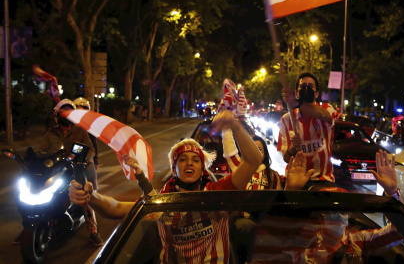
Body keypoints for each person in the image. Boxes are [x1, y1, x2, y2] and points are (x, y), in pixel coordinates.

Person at [69, 109, 263, 263]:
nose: (189, 163)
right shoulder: (161, 200)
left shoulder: (217, 193)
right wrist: (90, 196)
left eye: (195, 160)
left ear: (202, 168)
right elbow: (116, 208)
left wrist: (235, 126)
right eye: (183, 160)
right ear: (174, 168)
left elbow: (253, 160)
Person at [249, 150, 404, 263]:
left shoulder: (356, 240)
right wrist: (291, 192)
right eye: (330, 210)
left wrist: (392, 193)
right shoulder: (299, 241)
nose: (336, 215)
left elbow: (400, 232)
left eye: (340, 210)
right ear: (318, 214)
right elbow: (272, 240)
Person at [38, 99, 104, 246]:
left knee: (85, 198)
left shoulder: (80, 130)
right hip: (59, 170)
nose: (65, 116)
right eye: (62, 113)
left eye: (69, 113)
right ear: (56, 115)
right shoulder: (51, 133)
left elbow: (91, 149)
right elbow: (42, 150)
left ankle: (93, 230)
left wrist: (82, 158)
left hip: (81, 168)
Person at [222, 129, 283, 262]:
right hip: (242, 222)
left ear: (265, 153)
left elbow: (279, 202)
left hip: (265, 223)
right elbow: (229, 152)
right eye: (252, 148)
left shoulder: (274, 176)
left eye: (259, 149)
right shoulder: (239, 169)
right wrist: (227, 129)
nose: (255, 152)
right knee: (245, 225)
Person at [278, 72, 338, 189]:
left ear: (316, 94)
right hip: (296, 181)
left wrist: (296, 103)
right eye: (302, 86)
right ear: (296, 93)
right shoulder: (286, 119)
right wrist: (293, 148)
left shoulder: (327, 109)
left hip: (323, 181)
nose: (306, 88)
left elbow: (322, 114)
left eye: (310, 86)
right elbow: (286, 158)